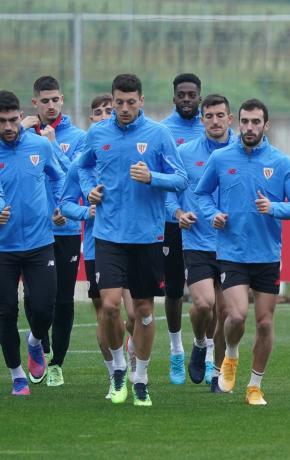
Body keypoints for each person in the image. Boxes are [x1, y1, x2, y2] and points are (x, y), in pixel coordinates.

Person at [77, 74, 188, 406]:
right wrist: (88, 190)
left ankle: (141, 377)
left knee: (142, 310)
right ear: (112, 101)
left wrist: (153, 177)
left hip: (148, 237)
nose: (124, 108)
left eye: (130, 102)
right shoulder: (97, 134)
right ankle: (118, 369)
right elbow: (82, 169)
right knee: (109, 306)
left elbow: (181, 179)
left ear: (141, 101)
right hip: (108, 234)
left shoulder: (159, 134)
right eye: (118, 103)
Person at [195, 98, 290, 405]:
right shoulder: (221, 158)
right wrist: (212, 215)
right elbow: (202, 195)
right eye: (244, 122)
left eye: (255, 122)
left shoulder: (281, 162)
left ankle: (255, 385)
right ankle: (231, 354)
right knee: (236, 315)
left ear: (266, 125)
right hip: (232, 252)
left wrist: (273, 208)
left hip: (267, 255)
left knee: (264, 323)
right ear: (238, 123)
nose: (249, 127)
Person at [58, 93, 135, 399]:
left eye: (109, 110)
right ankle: (114, 374)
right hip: (96, 248)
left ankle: (137, 366)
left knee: (136, 312)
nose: (105, 115)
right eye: (99, 112)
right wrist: (86, 211)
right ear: (92, 120)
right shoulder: (83, 161)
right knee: (106, 313)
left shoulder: (128, 151)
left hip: (132, 243)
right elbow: (66, 204)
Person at [18, 75, 87, 387]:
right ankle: (38, 342)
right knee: (33, 298)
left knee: (63, 299)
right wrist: (21, 129)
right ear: (35, 103)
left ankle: (57, 361)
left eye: (54, 100)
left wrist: (51, 146)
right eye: (44, 101)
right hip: (32, 230)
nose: (50, 105)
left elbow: (73, 173)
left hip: (66, 229)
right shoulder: (17, 135)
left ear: (62, 100)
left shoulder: (78, 137)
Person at [166, 94, 234, 391]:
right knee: (203, 305)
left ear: (230, 119)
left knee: (226, 313)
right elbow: (169, 192)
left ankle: (217, 373)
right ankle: (198, 343)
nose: (215, 121)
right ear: (201, 120)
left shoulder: (241, 151)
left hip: (232, 245)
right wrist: (178, 212)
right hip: (196, 241)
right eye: (209, 116)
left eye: (220, 115)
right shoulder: (184, 153)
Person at [0, 90, 65, 395]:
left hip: (40, 242)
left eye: (13, 120)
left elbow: (59, 177)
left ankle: (36, 341)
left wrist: (60, 204)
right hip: (3, 248)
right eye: (2, 122)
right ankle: (16, 375)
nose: (9, 127)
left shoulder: (39, 145)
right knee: (5, 312)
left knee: (43, 309)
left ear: (22, 115)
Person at [160, 73, 206, 385]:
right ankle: (176, 348)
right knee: (175, 290)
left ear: (199, 97)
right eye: (181, 94)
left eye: (192, 94)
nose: (187, 99)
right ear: (174, 97)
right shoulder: (163, 130)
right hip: (173, 222)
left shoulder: (211, 127)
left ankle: (208, 350)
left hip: (208, 226)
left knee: (210, 297)